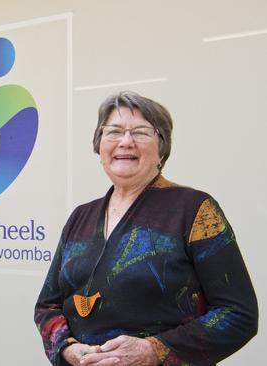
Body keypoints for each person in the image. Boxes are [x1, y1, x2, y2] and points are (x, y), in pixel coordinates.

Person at [34, 91, 258, 365]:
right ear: (99, 146)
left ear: (161, 148)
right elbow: (48, 305)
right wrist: (67, 349)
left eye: (140, 132)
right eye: (114, 131)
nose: (126, 142)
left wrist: (154, 350)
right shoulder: (81, 216)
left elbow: (238, 314)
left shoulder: (194, 209)